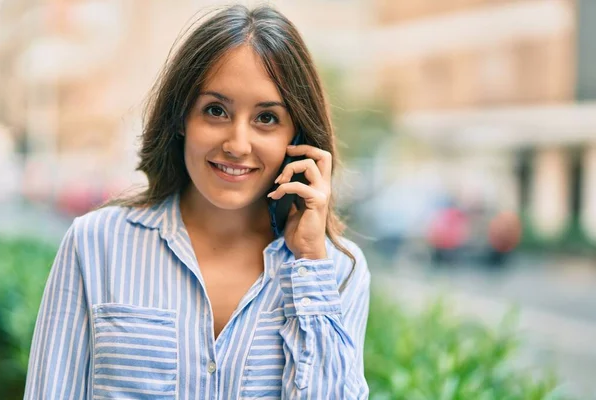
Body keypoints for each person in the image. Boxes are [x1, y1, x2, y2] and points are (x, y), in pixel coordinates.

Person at [24, 4, 370, 399]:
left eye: (267, 119)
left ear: (298, 138)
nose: (237, 145)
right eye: (215, 111)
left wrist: (309, 263)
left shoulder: (339, 273)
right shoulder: (96, 244)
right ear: (181, 119)